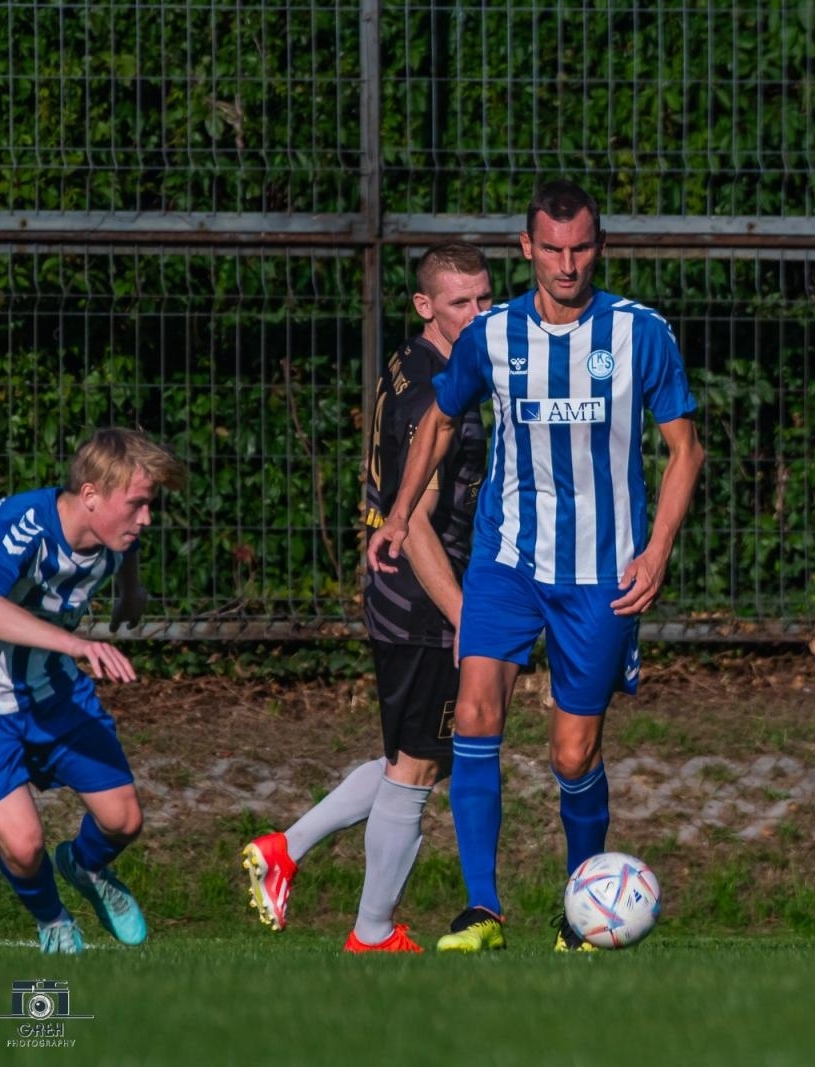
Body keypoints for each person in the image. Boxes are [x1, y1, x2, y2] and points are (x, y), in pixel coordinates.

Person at [366, 180, 704, 954]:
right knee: (478, 709)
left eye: (580, 247)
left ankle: (584, 915)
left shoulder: (640, 333)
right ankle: (483, 909)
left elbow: (686, 450)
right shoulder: (492, 335)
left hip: (602, 573)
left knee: (571, 753)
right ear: (526, 249)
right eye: (551, 249)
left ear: (600, 246)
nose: (566, 263)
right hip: (507, 559)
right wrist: (399, 512)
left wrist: (656, 550)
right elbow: (439, 421)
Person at [241, 243, 493, 952]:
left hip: (400, 598)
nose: (477, 316)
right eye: (459, 303)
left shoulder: (423, 366)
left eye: (485, 299)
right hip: (423, 598)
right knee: (416, 768)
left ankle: (283, 848)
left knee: (411, 758)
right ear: (424, 306)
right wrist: (467, 619)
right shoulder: (433, 394)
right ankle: (373, 933)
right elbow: (411, 526)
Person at [0, 428, 186, 954]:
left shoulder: (111, 536)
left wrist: (132, 592)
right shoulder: (20, 528)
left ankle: (84, 865)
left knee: (124, 820)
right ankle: (52, 918)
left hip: (55, 694)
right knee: (24, 845)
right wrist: (73, 643)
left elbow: (126, 555)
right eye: (138, 504)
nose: (145, 519)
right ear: (92, 495)